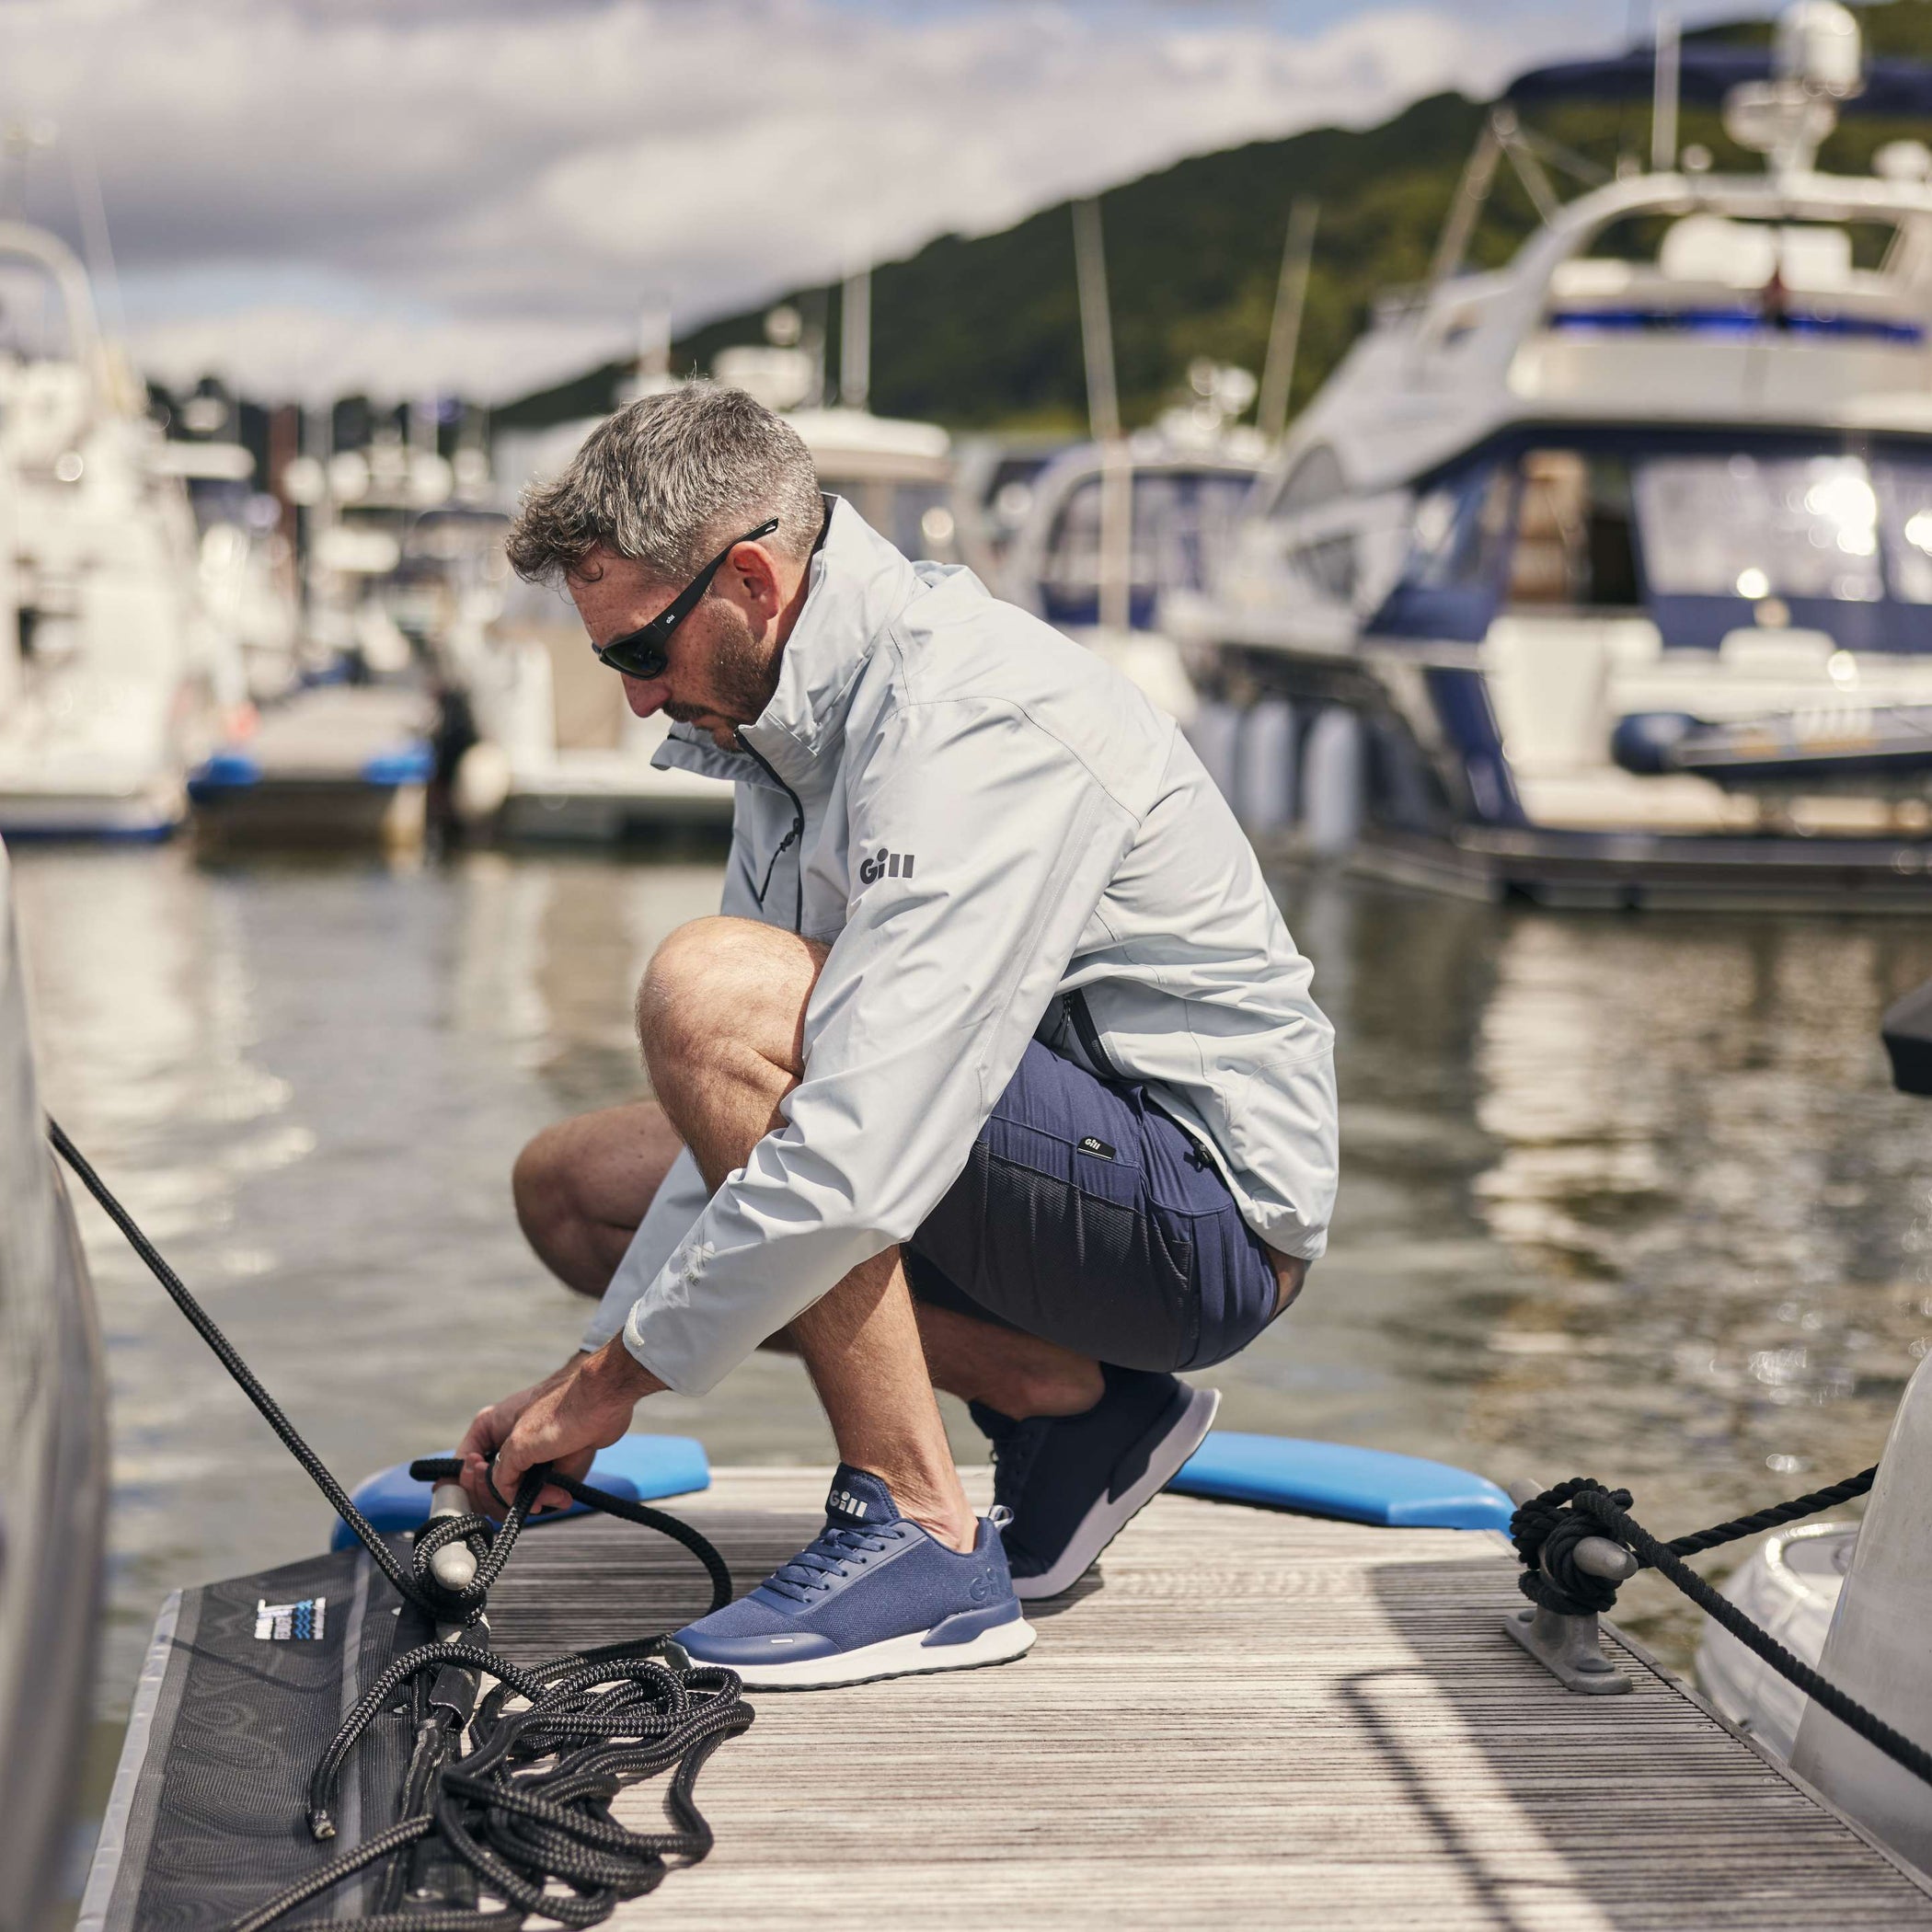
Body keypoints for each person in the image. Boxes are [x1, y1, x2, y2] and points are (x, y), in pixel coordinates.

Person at [460, 382, 1338, 1690]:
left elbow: (860, 1134)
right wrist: (580, 1384)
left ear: (752, 581)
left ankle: (924, 1535)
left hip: (1204, 1216)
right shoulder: (785, 735)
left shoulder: (964, 715)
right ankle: (1072, 1401)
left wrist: (617, 1386)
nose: (638, 704)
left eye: (638, 654)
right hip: (1064, 1163)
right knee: (575, 1193)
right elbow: (741, 1132)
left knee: (710, 990)